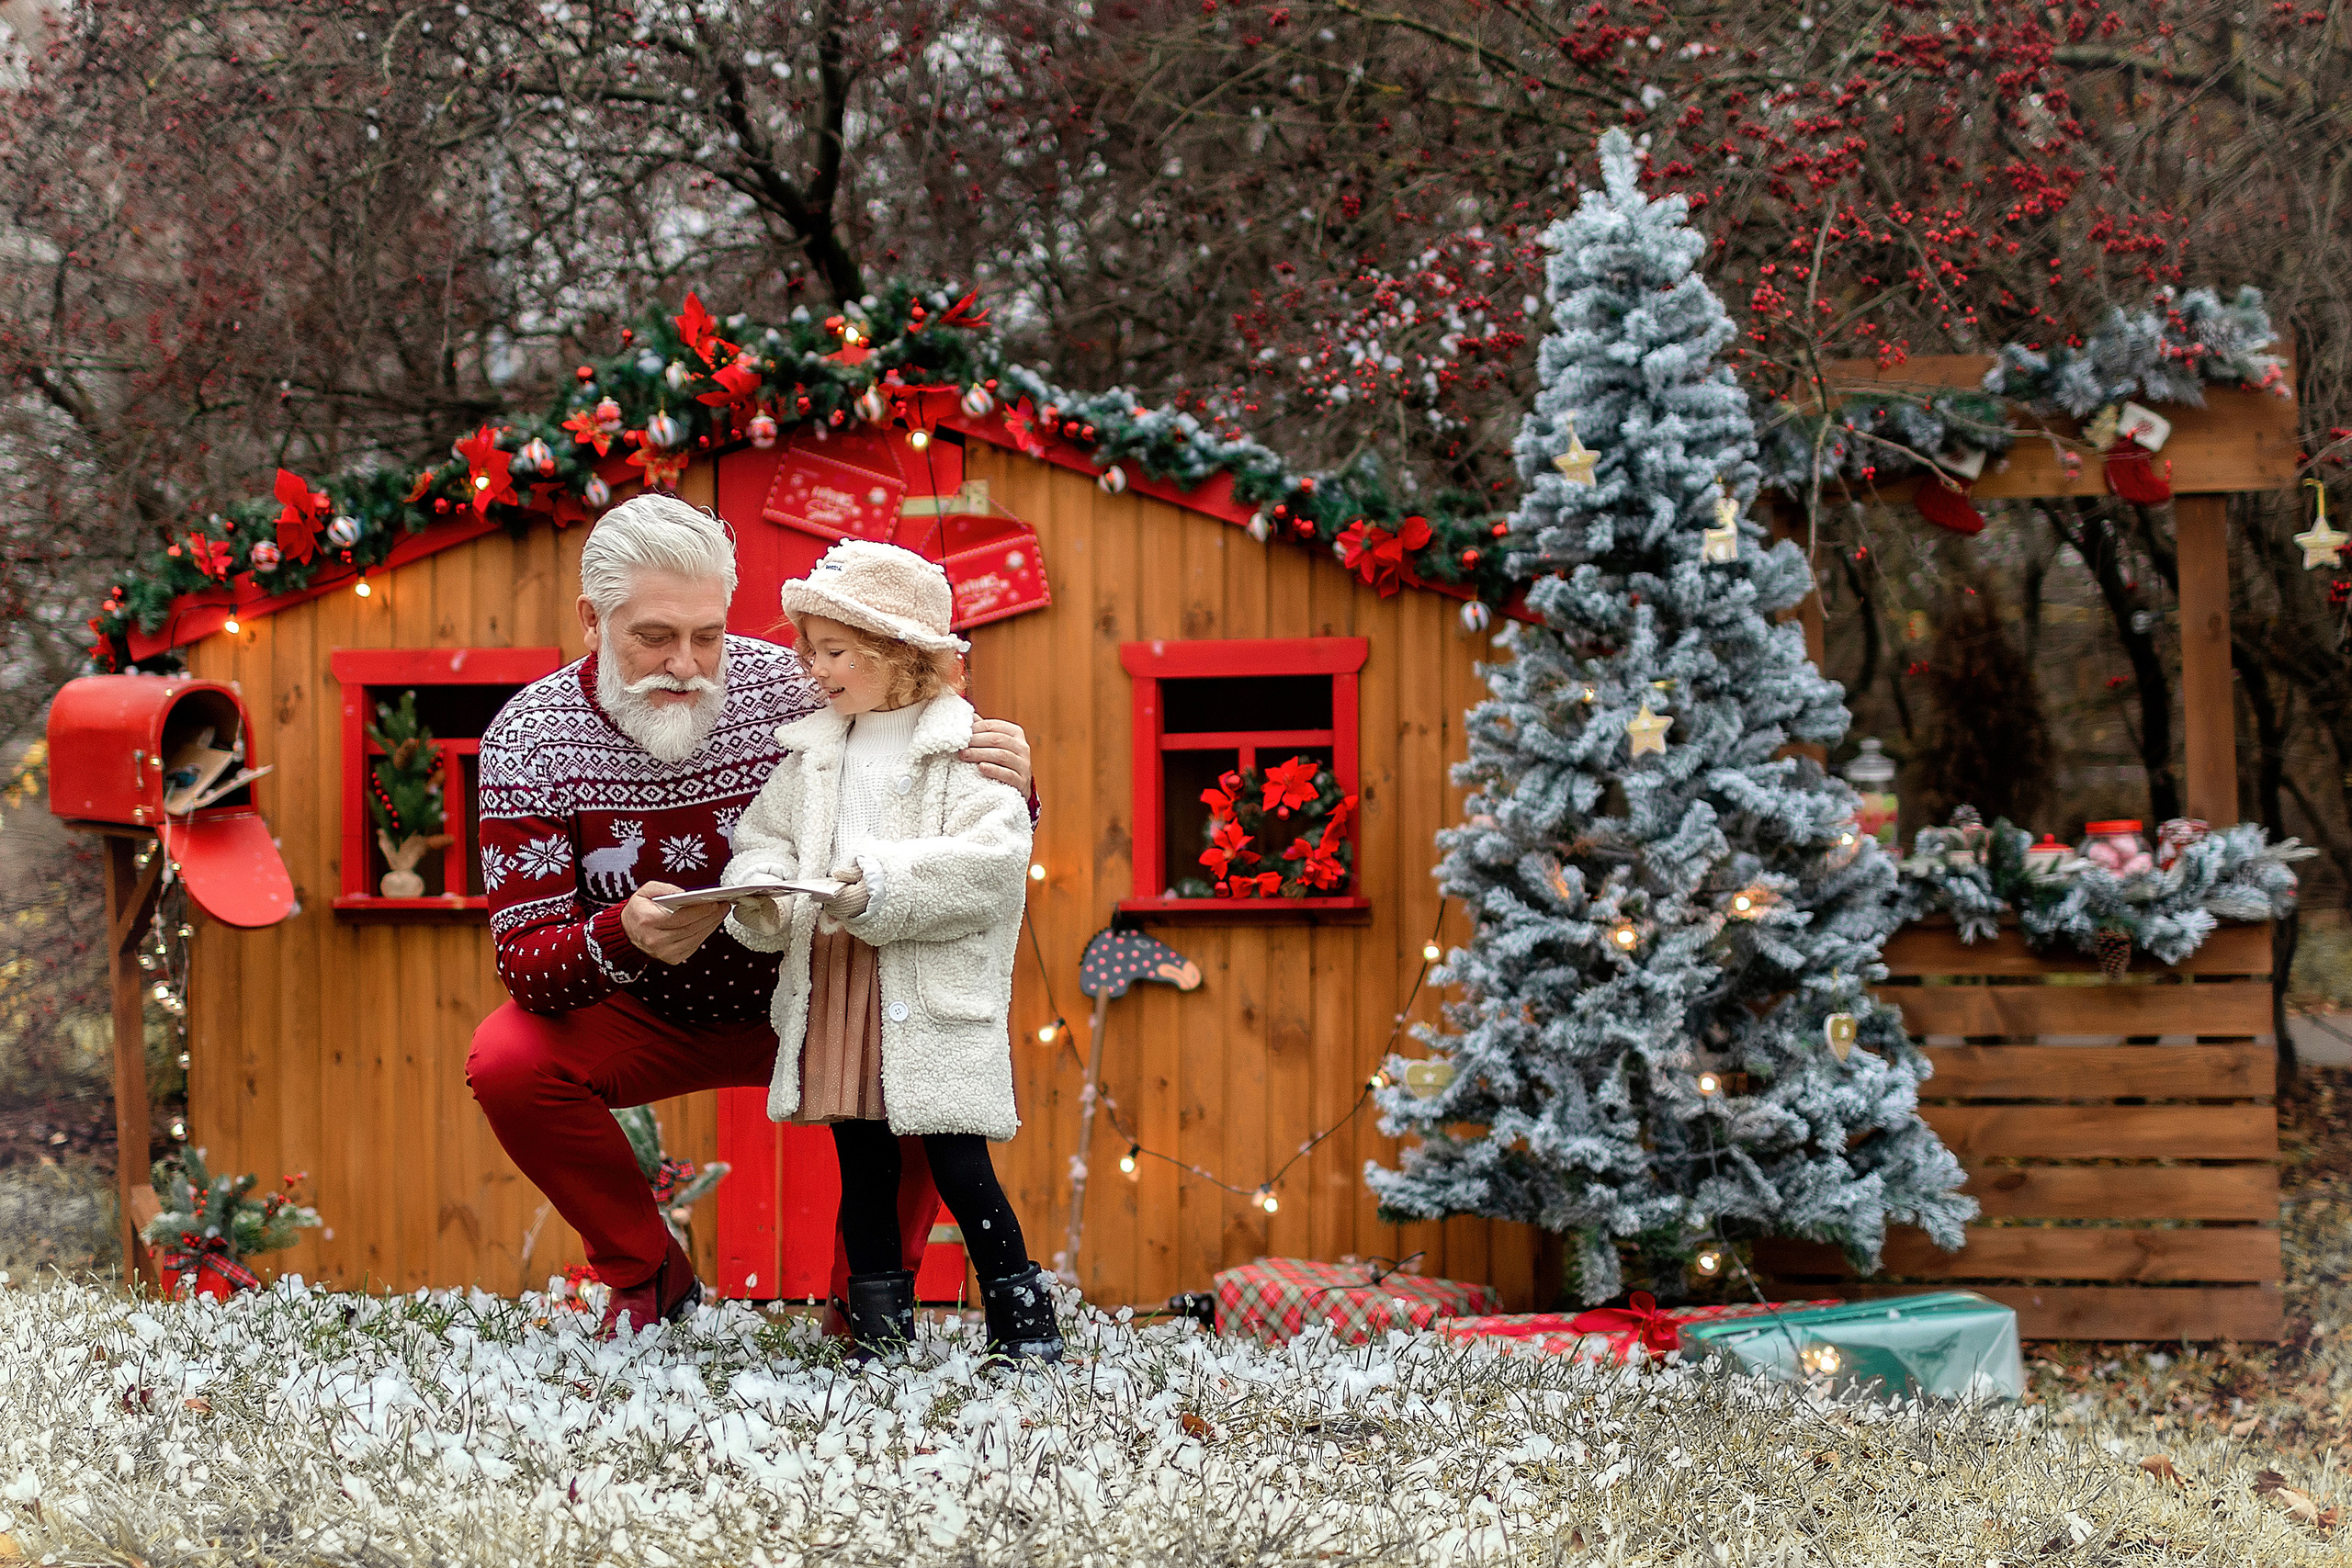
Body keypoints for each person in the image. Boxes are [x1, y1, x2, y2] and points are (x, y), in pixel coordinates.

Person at [465, 495, 1033, 1338]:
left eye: (709, 634)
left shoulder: (795, 690)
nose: (688, 663)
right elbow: (526, 960)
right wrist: (624, 934)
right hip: (646, 1012)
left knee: (917, 1044)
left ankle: (871, 1297)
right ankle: (646, 1273)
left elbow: (941, 799)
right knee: (508, 1058)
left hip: (816, 994)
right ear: (592, 619)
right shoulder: (528, 740)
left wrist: (1018, 782)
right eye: (654, 636)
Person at [719, 539, 1061, 1363]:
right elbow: (762, 838)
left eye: (834, 650)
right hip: (839, 983)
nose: (815, 666)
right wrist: (763, 886)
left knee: (957, 1160)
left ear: (897, 651)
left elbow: (990, 867)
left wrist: (876, 883)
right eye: (811, 649)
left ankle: (1024, 1321)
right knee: (861, 1160)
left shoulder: (962, 747)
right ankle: (878, 1331)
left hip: (926, 988)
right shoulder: (813, 750)